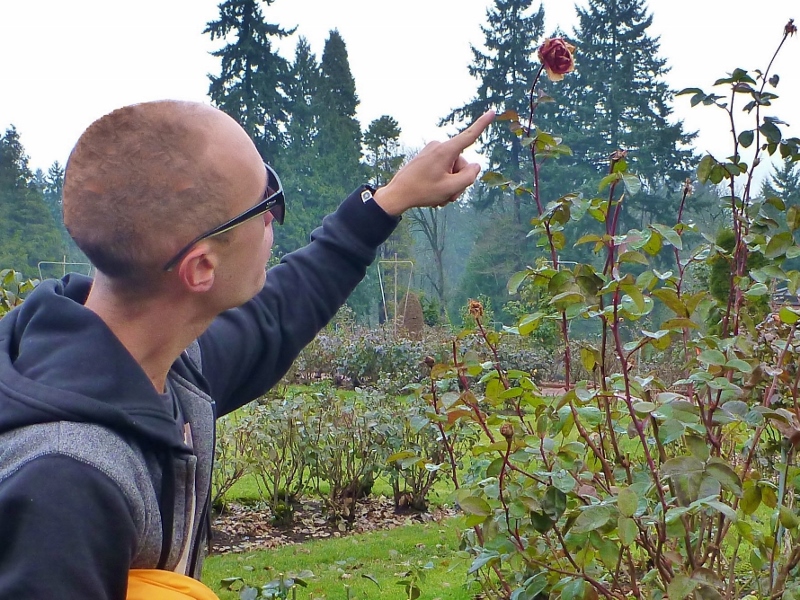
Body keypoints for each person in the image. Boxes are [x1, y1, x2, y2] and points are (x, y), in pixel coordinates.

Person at [0, 100, 494, 599]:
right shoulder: (63, 485)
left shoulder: (162, 366)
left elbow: (276, 315)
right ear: (201, 269)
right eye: (266, 204)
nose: (274, 221)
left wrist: (388, 201)